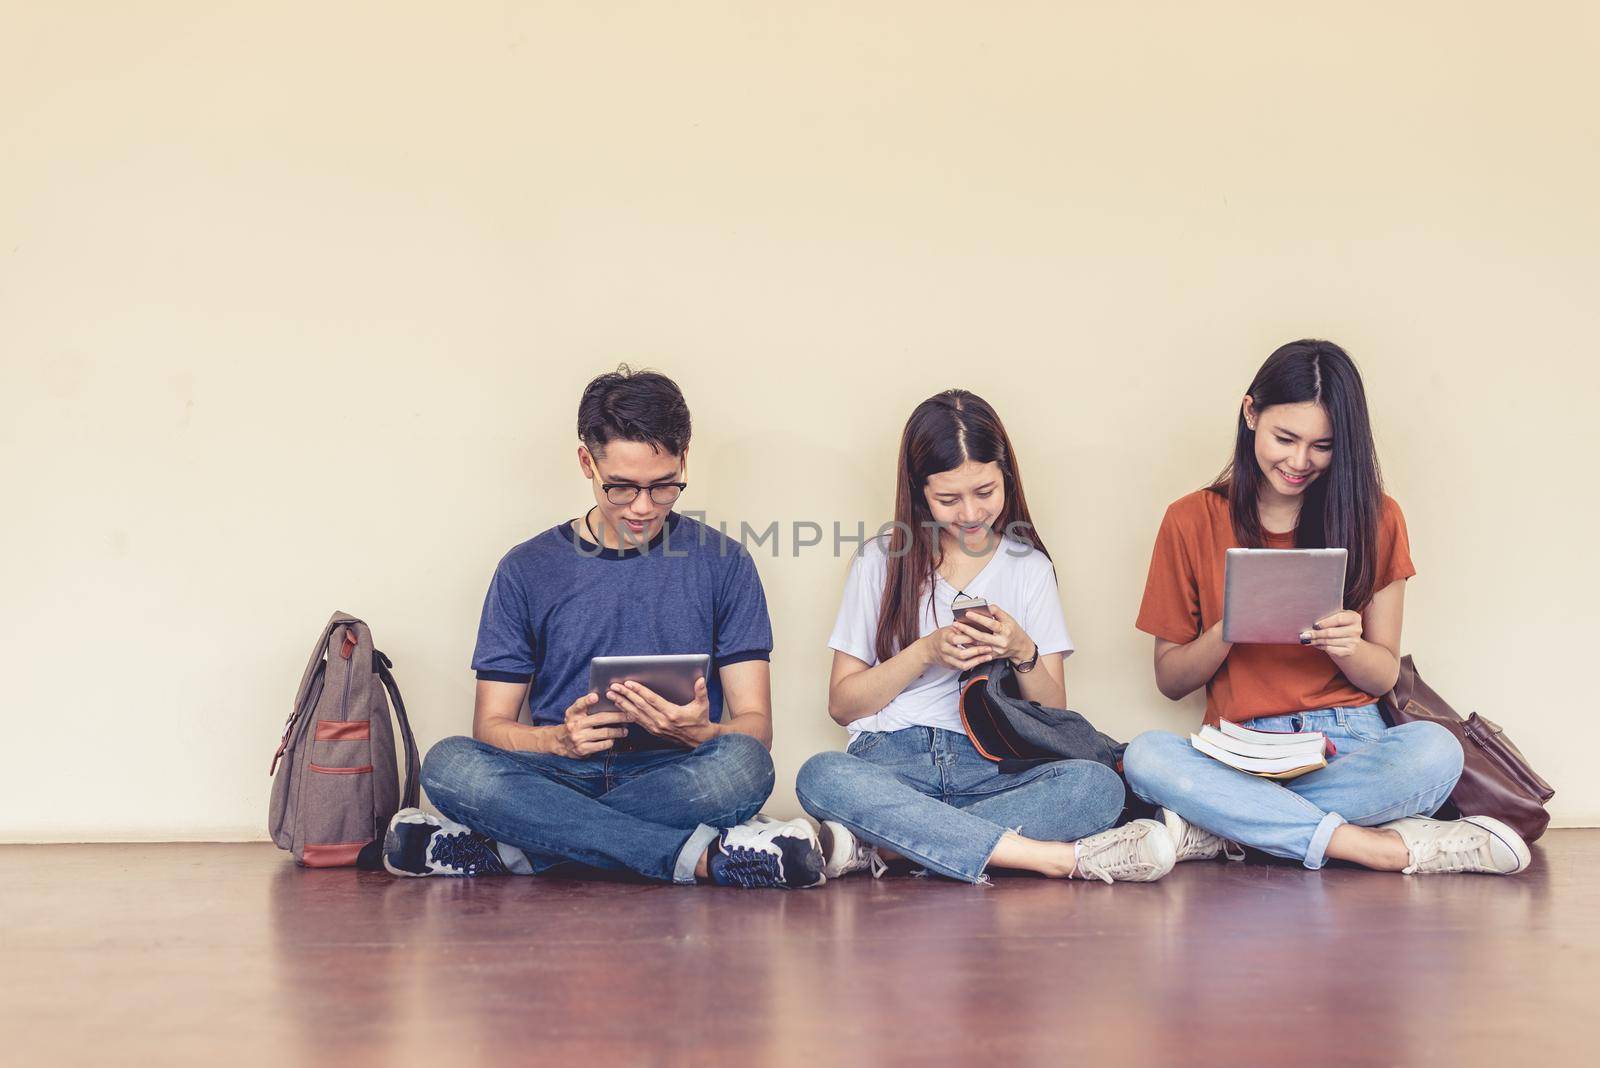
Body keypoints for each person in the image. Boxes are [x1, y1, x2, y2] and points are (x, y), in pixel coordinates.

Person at [383, 366, 825, 888]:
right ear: (585, 462)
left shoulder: (724, 563)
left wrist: (700, 733)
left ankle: (517, 849)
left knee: (744, 766)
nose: (643, 507)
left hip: (672, 773)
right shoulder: (527, 568)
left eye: (664, 488)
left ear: (685, 459)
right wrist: (557, 744)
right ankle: (699, 857)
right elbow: (492, 726)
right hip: (556, 776)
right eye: (621, 488)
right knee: (450, 764)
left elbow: (756, 728)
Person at [1122, 339, 1530, 876]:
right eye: (1284, 438)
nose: (1298, 461)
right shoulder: (1189, 518)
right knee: (1144, 757)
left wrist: (1349, 646)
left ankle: (1226, 827)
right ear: (1250, 414)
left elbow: (1383, 674)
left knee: (1436, 751)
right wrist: (1229, 629)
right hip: (1243, 751)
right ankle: (1380, 847)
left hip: (1350, 743)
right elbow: (1171, 680)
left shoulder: (1378, 517)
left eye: (1322, 446)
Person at [794, 390, 1176, 885]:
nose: (971, 513)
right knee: (820, 775)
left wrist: (1022, 651)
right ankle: (1048, 858)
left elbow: (1055, 711)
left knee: (1097, 787)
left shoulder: (1029, 568)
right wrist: (925, 651)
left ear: (1007, 479)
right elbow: (843, 705)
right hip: (892, 763)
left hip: (990, 767)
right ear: (917, 491)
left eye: (986, 492)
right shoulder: (879, 561)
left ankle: (894, 847)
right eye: (948, 499)